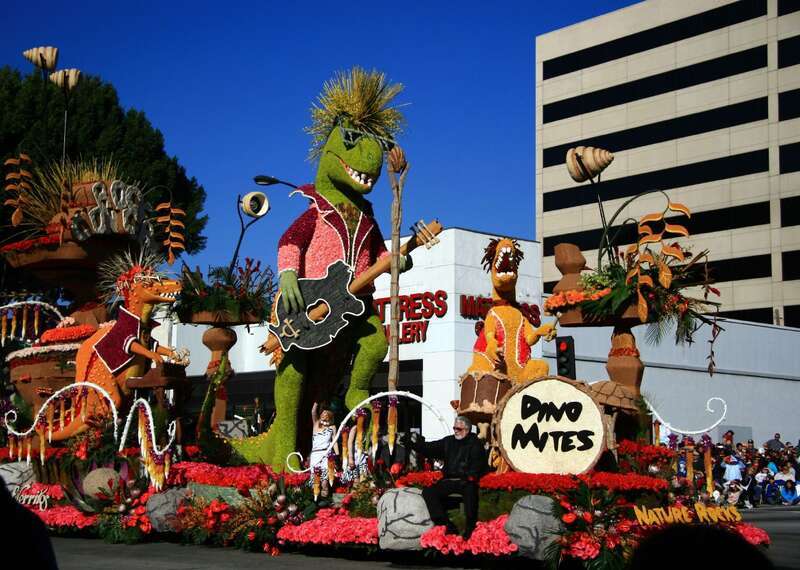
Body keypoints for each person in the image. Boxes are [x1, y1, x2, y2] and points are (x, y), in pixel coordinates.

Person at [404, 416, 486, 539]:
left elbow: (478, 463)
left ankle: (470, 528)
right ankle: (445, 523)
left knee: (470, 491)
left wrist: (470, 476)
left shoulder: (475, 443)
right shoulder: (448, 441)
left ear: (467, 429)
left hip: (466, 480)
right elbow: (429, 448)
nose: (456, 431)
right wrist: (412, 445)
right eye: (454, 428)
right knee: (429, 492)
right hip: (449, 480)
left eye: (458, 428)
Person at [309, 403, 336, 477]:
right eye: (322, 413)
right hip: (315, 454)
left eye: (326, 413)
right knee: (315, 481)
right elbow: (313, 411)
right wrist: (316, 403)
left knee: (325, 482)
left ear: (329, 415)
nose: (323, 415)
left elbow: (334, 442)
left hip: (326, 454)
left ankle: (325, 488)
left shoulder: (332, 427)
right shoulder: (316, 424)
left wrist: (337, 456)